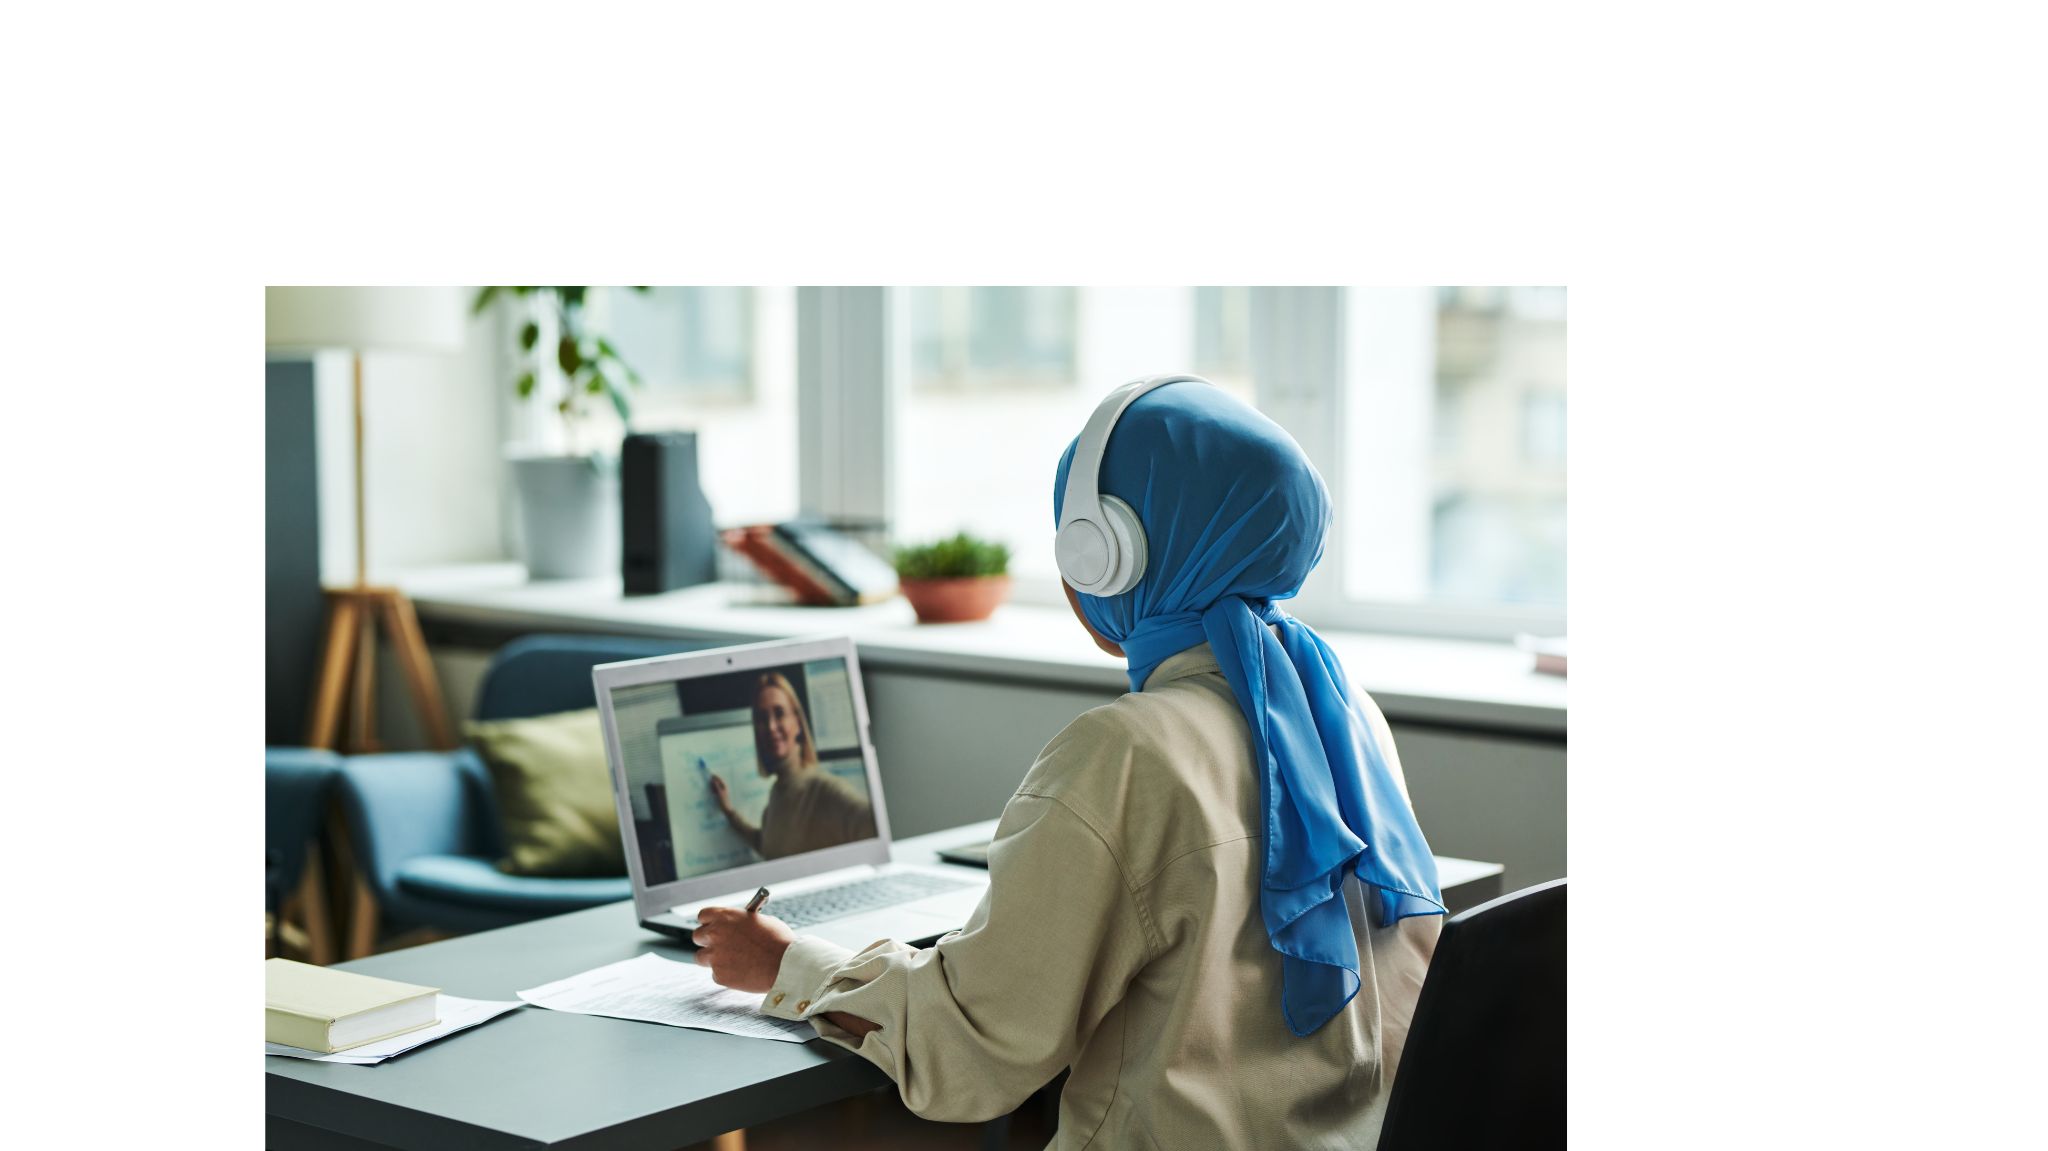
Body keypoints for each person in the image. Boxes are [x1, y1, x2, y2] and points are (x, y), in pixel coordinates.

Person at [693, 380, 1446, 1147]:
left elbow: (973, 1051)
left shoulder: (1126, 752)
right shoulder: (1346, 711)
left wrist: (790, 962)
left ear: (1107, 554)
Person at [707, 672, 876, 859]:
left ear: (798, 722)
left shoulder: (825, 790)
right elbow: (766, 845)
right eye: (762, 719)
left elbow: (871, 823)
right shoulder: (775, 796)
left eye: (779, 713)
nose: (771, 726)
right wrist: (729, 813)